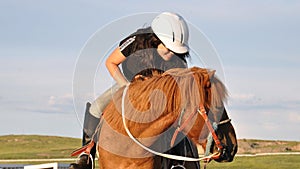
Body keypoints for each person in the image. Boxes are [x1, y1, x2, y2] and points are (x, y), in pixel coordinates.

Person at [69, 12, 200, 169]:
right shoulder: (135, 41)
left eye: (176, 51)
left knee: (175, 119)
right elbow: (111, 62)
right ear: (156, 39)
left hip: (158, 94)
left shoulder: (178, 60)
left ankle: (178, 162)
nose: (172, 54)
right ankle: (87, 155)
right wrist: (125, 86)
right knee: (96, 109)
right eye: (168, 50)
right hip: (129, 84)